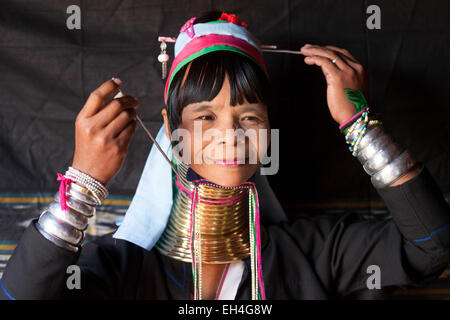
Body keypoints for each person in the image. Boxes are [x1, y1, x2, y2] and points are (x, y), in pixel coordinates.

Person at [1, 10, 449, 300]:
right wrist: (81, 183)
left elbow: (433, 247)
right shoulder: (122, 267)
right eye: (205, 116)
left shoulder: (313, 254)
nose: (230, 134)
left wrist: (360, 126)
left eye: (249, 117)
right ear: (172, 129)